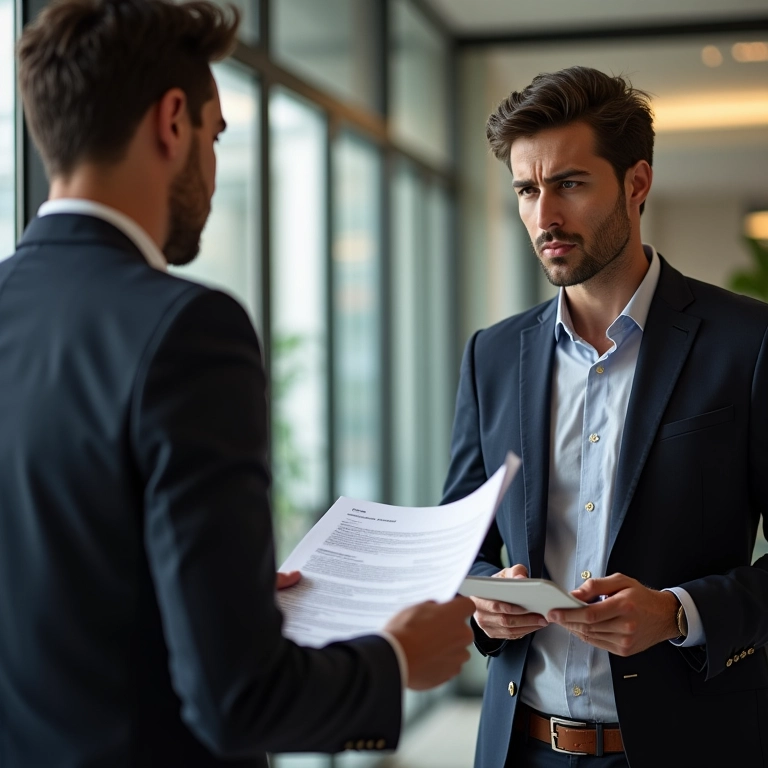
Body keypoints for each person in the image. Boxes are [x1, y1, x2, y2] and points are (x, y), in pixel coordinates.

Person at [0, 0, 476, 765]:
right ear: (173, 120)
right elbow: (237, 702)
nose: (215, 171)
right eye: (217, 137)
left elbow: (59, 577)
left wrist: (228, 597)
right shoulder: (188, 329)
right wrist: (394, 658)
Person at [442, 65, 768, 768]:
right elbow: (461, 540)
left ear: (636, 184)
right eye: (527, 190)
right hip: (520, 747)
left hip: (688, 746)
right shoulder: (492, 354)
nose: (544, 216)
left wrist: (680, 613)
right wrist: (486, 604)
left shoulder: (747, 342)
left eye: (570, 183)